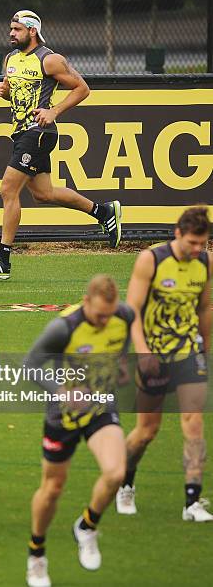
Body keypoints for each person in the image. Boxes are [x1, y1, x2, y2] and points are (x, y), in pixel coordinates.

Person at [0, 9, 122, 281]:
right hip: (21, 132)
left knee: (8, 189)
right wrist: (5, 93)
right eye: (11, 29)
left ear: (32, 31)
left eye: (17, 29)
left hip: (39, 132)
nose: (11, 34)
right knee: (43, 194)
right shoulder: (10, 59)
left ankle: (3, 258)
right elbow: (16, 95)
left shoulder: (50, 59)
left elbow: (82, 88)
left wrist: (54, 111)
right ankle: (103, 211)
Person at [24, 275, 134, 586]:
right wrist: (60, 391)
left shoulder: (123, 316)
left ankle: (87, 526)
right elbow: (29, 365)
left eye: (108, 315)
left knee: (115, 474)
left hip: (99, 406)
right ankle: (36, 553)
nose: (104, 321)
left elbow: (121, 342)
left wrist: (121, 365)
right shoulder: (63, 328)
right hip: (63, 416)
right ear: (86, 302)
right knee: (53, 488)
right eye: (99, 315)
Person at [116, 206, 213, 521]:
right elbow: (132, 309)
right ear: (177, 234)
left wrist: (204, 351)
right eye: (193, 243)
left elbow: (205, 308)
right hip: (153, 355)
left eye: (204, 243)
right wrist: (143, 353)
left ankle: (192, 501)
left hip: (187, 353)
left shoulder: (206, 263)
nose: (198, 250)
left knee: (194, 423)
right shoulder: (151, 260)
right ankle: (125, 483)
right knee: (146, 431)